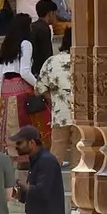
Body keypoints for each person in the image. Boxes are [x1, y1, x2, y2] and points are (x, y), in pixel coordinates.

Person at [0, 15, 51, 157]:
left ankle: (11, 155)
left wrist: (2, 95)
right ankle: (28, 156)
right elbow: (24, 71)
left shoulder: (5, 44)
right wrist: (38, 86)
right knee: (29, 123)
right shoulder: (25, 44)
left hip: (6, 89)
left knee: (8, 127)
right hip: (21, 89)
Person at [36, 29, 73, 167]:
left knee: (56, 155)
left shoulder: (51, 61)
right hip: (84, 116)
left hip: (60, 114)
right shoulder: (86, 59)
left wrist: (53, 99)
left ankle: (50, 185)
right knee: (82, 157)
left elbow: (39, 89)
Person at [29, 0, 57, 77]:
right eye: (55, 14)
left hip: (32, 68)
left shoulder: (33, 26)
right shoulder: (44, 28)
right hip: (40, 71)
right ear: (50, 13)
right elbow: (46, 53)